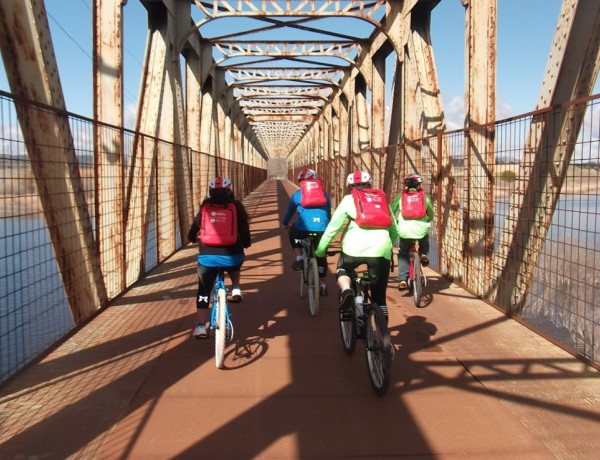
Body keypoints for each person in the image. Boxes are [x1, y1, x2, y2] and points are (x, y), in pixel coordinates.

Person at [314, 170, 399, 320]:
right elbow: (394, 230)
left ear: (349, 186)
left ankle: (346, 290)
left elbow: (333, 228)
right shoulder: (382, 200)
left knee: (342, 269)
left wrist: (320, 250)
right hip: (381, 250)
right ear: (370, 184)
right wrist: (387, 246)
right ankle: (383, 334)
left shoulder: (348, 200)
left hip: (352, 249)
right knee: (379, 297)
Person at [187, 177, 251, 339]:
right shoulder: (236, 208)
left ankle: (201, 326)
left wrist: (192, 238)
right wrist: (246, 243)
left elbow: (193, 230)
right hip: (232, 256)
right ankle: (236, 287)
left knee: (203, 289)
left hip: (207, 257)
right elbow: (244, 232)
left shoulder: (204, 209)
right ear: (231, 190)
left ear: (210, 192)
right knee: (236, 262)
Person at [282, 168, 332, 296]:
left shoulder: (298, 194)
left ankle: (299, 257)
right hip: (322, 228)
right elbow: (328, 212)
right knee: (320, 253)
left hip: (302, 229)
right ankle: (322, 283)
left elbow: (289, 212)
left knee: (293, 232)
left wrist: (285, 223)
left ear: (301, 182)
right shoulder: (324, 194)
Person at [391, 173, 434, 290]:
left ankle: (403, 280)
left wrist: (395, 221)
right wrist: (429, 219)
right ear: (419, 184)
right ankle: (423, 253)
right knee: (424, 238)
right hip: (420, 228)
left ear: (406, 185)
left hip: (404, 230)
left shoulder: (401, 197)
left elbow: (392, 210)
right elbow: (430, 212)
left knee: (403, 252)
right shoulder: (424, 197)